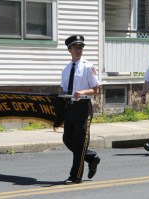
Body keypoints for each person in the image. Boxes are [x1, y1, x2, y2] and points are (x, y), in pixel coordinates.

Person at [60, 35, 100, 185]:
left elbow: (96, 89)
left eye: (81, 47)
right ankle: (90, 157)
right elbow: (63, 88)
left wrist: (83, 92)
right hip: (70, 106)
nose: (79, 50)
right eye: (76, 48)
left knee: (80, 142)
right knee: (67, 139)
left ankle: (75, 176)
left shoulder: (88, 67)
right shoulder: (66, 68)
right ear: (69, 50)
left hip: (83, 107)